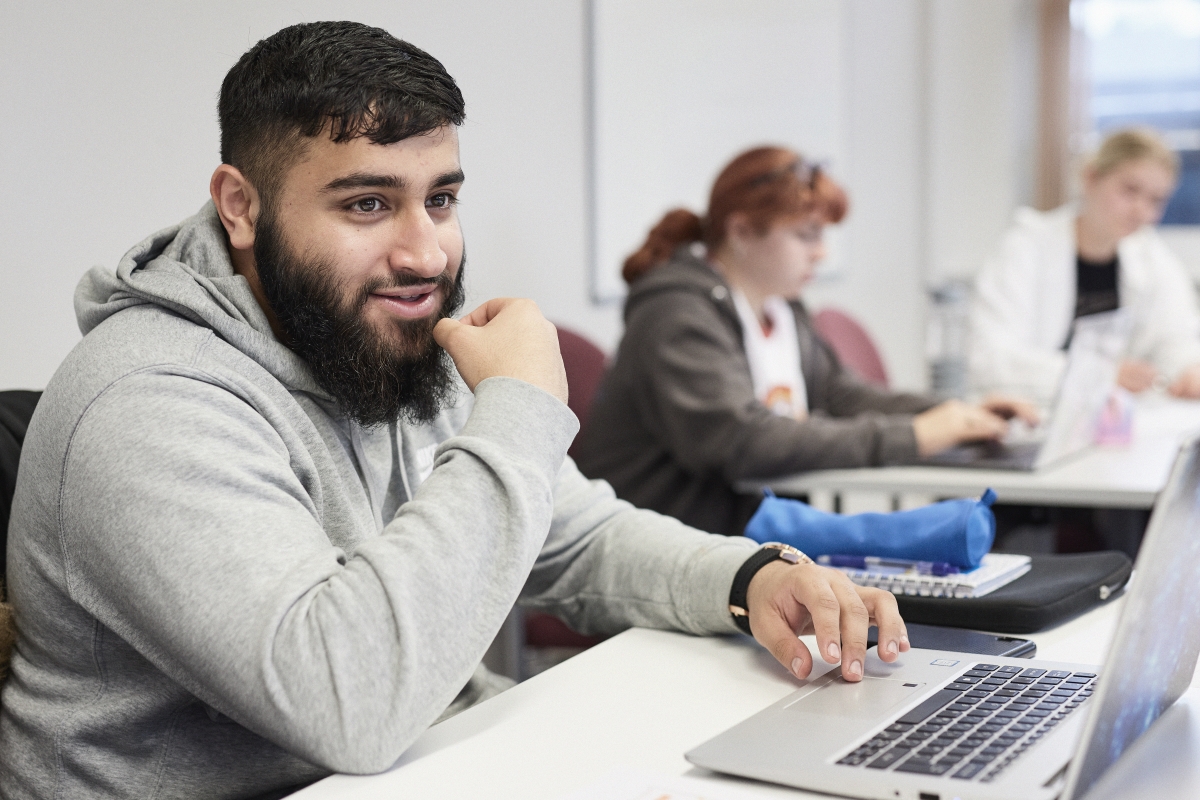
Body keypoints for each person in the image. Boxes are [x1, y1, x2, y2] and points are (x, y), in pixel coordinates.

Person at [0, 23, 909, 800]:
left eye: (441, 199)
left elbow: (576, 537)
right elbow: (344, 701)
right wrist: (515, 408)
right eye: (367, 203)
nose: (425, 252)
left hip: (420, 767)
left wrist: (750, 581)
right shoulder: (145, 401)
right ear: (241, 207)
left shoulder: (362, 337)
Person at [573, 146, 1035, 537]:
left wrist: (953, 414)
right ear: (740, 232)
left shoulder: (781, 307)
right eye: (805, 235)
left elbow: (839, 395)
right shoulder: (675, 314)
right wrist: (913, 436)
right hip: (660, 544)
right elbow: (741, 440)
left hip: (737, 541)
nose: (821, 252)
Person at [970, 127, 1200, 402]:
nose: (1141, 210)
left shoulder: (1153, 258)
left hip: (1115, 421)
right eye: (1130, 190)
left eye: (1155, 199)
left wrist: (1187, 370)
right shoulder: (1026, 248)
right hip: (1031, 413)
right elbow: (989, 359)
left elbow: (1176, 337)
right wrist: (1096, 373)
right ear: (1091, 177)